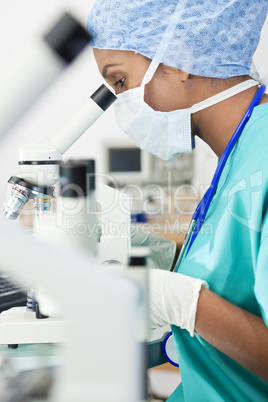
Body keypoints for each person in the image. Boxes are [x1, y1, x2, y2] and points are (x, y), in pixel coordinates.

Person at [87, 1, 268, 400]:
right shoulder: (238, 156)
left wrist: (179, 300)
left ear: (179, 59)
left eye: (119, 81)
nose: (121, 103)